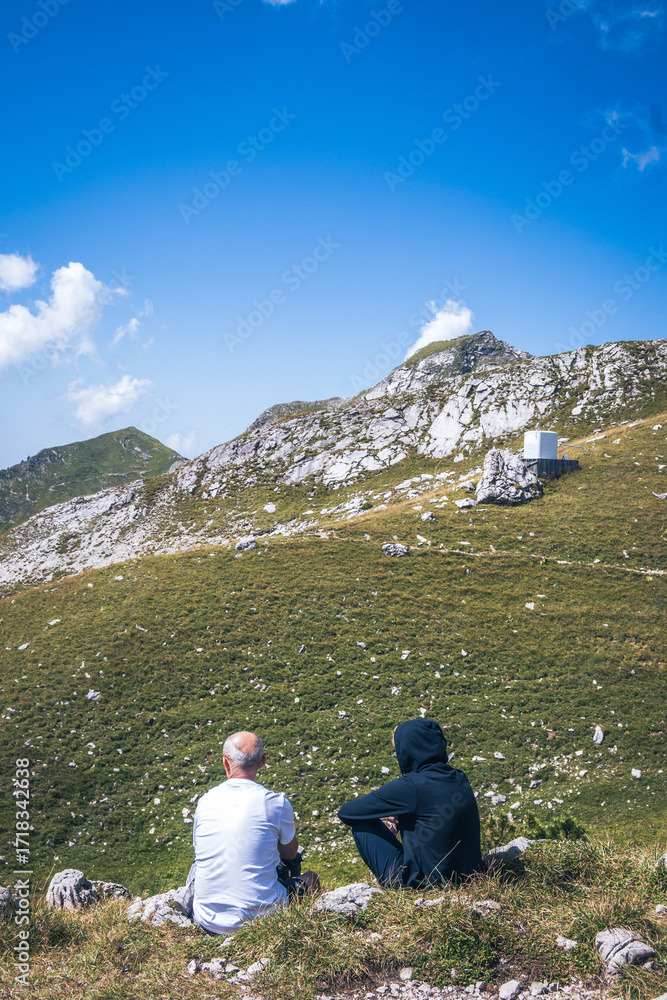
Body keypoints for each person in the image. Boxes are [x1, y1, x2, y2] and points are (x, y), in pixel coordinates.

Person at [187, 731, 319, 935]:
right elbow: (290, 854)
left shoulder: (205, 802)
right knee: (311, 878)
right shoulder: (275, 802)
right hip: (263, 918)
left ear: (225, 763)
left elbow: (199, 851)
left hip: (208, 919)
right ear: (263, 762)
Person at [338, 717, 484, 888]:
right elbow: (431, 811)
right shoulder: (458, 777)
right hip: (469, 878)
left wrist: (383, 818)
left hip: (426, 885)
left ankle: (397, 885)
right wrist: (398, 816)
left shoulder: (411, 785)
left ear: (408, 751)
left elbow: (347, 812)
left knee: (362, 824)